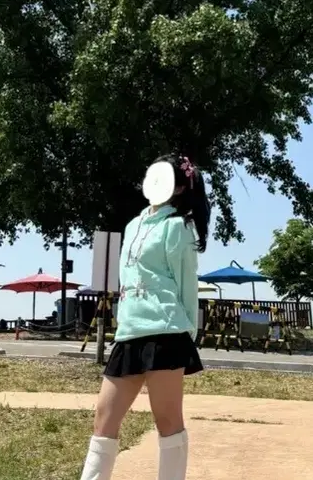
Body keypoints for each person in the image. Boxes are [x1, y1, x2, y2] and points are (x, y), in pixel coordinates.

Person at [78, 154, 210, 480]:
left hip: (165, 333)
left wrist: (187, 336)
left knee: (167, 423)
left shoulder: (177, 227)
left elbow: (186, 286)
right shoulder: (132, 225)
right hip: (129, 333)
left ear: (179, 187)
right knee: (104, 419)